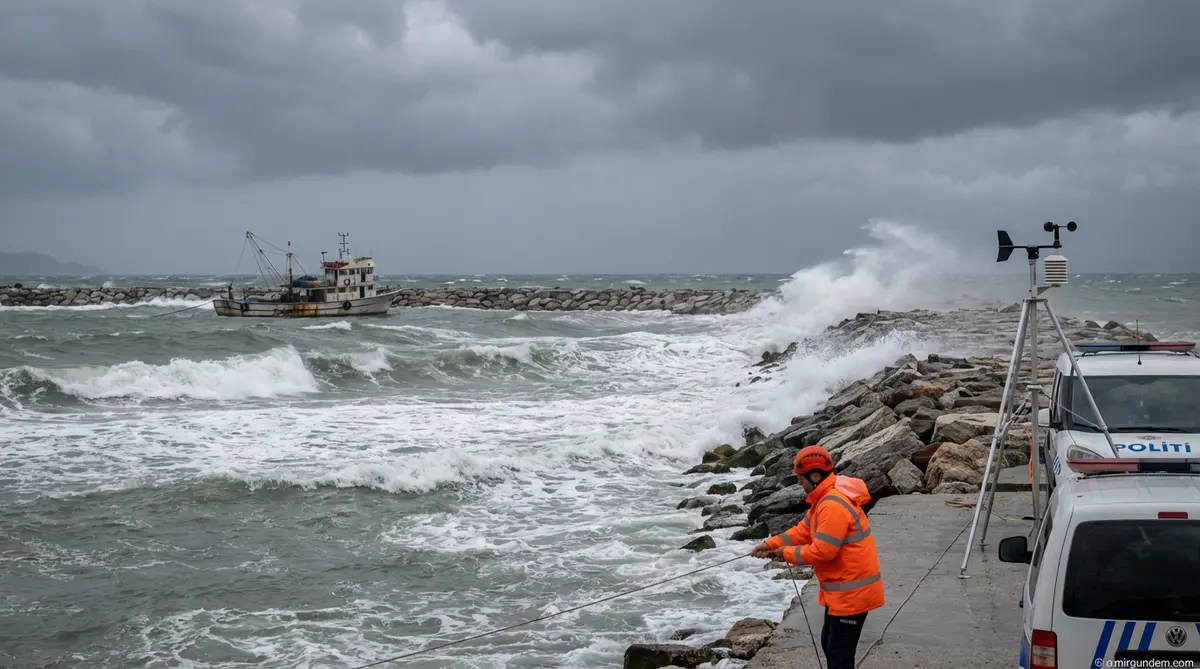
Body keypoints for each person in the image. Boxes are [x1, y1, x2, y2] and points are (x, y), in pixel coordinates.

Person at [751, 445, 885, 669]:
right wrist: (770, 544)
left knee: (839, 655)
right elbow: (802, 531)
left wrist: (785, 553)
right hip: (842, 593)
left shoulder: (832, 506)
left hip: (853, 594)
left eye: (800, 478)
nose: (798, 483)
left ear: (815, 477)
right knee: (830, 645)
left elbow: (823, 551)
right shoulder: (823, 499)